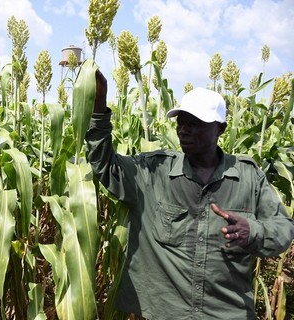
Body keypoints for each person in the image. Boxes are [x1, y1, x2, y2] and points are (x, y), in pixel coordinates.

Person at [85, 70, 294, 319]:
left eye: (194, 124)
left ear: (220, 129)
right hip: (165, 312)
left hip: (226, 313)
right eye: (181, 122)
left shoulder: (249, 178)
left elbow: (283, 229)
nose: (183, 130)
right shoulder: (152, 172)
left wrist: (252, 231)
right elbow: (106, 165)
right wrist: (99, 106)